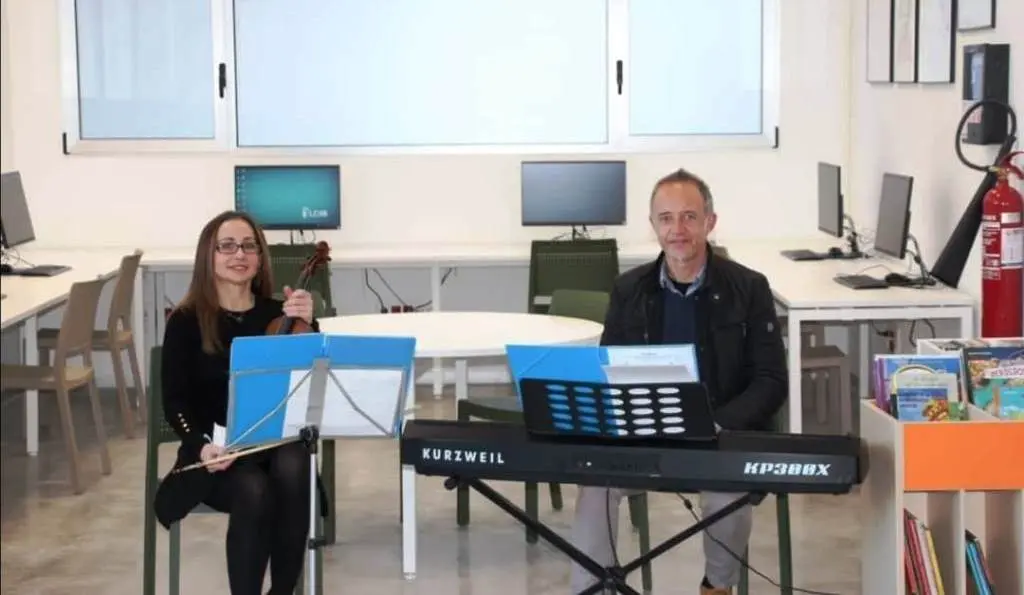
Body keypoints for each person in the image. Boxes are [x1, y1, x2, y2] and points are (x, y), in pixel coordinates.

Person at [569, 169, 788, 595]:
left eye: (689, 216)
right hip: (646, 437)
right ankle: (596, 588)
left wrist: (719, 425)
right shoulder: (628, 290)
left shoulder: (749, 287)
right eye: (666, 218)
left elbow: (771, 380)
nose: (678, 230)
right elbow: (610, 370)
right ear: (653, 226)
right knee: (594, 483)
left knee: (727, 494)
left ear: (710, 221)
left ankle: (717, 588)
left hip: (719, 438)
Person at [153, 210, 328, 595]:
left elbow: (308, 385)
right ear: (208, 256)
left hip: (273, 446)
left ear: (260, 257)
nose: (239, 254)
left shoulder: (277, 315)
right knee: (254, 489)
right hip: (214, 455)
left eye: (249, 245)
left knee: (294, 460)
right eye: (227, 246)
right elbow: (175, 400)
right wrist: (202, 445)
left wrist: (310, 327)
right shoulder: (185, 320)